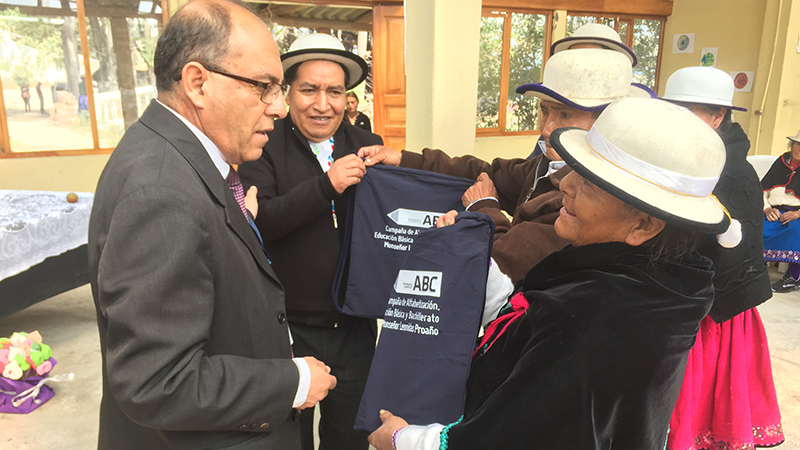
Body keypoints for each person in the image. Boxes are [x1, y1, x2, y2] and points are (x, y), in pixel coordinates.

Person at [368, 97, 729, 449]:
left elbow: (509, 436)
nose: (565, 185)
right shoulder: (639, 280)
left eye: (589, 183)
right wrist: (476, 265)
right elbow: (531, 320)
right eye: (574, 170)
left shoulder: (598, 319)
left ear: (644, 225)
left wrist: (405, 440)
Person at [88, 2, 337, 449]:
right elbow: (158, 381)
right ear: (198, 83)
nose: (279, 108)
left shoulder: (181, 161)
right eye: (264, 87)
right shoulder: (161, 191)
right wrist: (294, 382)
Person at [360, 46, 653, 284]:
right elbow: (490, 173)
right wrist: (404, 160)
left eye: (565, 115)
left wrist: (483, 207)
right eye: (544, 111)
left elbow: (503, 263)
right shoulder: (545, 166)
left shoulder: (590, 198)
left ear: (607, 122)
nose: (547, 129)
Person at [238, 33, 382, 450]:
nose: (323, 104)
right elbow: (259, 224)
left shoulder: (367, 147)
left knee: (350, 437)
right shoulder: (263, 143)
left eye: (334, 91)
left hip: (355, 328)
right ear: (287, 93)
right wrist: (326, 186)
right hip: (288, 328)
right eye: (309, 90)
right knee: (288, 437)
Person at [661, 66, 784, 450]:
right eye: (673, 109)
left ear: (718, 116)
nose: (679, 120)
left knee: (698, 394)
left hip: (715, 305)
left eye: (690, 110)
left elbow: (735, 247)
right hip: (680, 288)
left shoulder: (734, 173)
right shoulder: (680, 156)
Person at [763, 129, 800, 293]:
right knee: (756, 228)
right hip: (773, 211)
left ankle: (794, 277)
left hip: (796, 213)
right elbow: (761, 191)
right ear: (792, 145)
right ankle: (757, 271)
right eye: (798, 144)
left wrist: (797, 214)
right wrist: (767, 209)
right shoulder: (780, 163)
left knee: (796, 230)